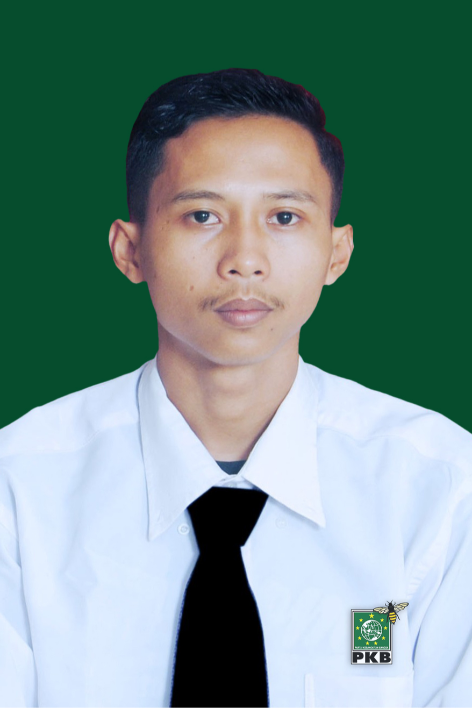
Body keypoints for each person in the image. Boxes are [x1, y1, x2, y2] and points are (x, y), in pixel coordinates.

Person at [0, 68, 470, 708]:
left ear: (336, 253)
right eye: (202, 215)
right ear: (130, 250)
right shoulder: (21, 489)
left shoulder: (439, 489)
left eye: (284, 216)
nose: (244, 259)